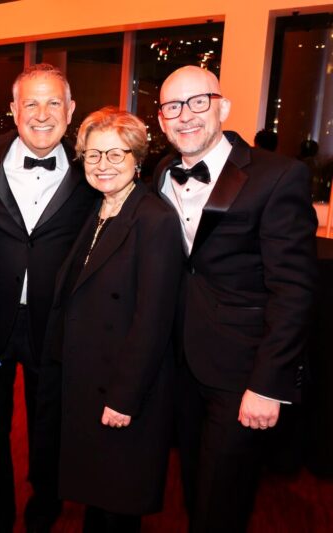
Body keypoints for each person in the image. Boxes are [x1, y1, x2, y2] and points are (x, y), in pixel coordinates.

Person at [154, 65, 318, 532]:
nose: (185, 116)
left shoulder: (278, 175)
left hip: (243, 372)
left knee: (222, 502)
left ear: (222, 107)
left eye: (198, 102)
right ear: (162, 121)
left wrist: (269, 383)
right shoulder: (162, 172)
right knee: (192, 489)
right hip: (182, 362)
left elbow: (294, 289)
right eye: (172, 107)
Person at [0, 63, 96, 532]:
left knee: (53, 431)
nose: (42, 114)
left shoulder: (95, 165)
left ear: (71, 111)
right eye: (31, 102)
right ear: (13, 109)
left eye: (53, 103)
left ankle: (43, 515)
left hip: (60, 323)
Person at [40, 107, 182, 532]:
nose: (103, 165)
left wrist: (124, 397)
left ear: (138, 159)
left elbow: (152, 321)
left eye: (116, 155)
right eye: (94, 155)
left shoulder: (154, 220)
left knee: (117, 505)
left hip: (122, 388)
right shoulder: (99, 211)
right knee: (97, 500)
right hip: (88, 382)